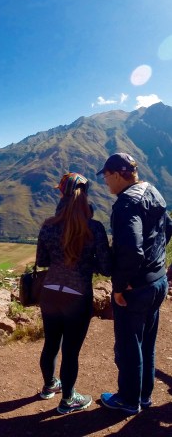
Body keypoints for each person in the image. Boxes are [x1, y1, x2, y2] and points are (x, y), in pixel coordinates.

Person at [96, 152, 172, 415]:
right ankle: (144, 396)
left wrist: (120, 285)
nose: (105, 182)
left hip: (135, 287)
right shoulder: (152, 191)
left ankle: (128, 400)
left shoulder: (126, 203)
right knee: (147, 343)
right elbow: (168, 228)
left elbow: (131, 248)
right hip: (158, 281)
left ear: (117, 174)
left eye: (106, 176)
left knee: (129, 345)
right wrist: (157, 263)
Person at [36, 172, 111, 415]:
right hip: (77, 296)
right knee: (70, 351)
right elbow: (106, 267)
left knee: (50, 344)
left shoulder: (48, 225)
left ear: (60, 193)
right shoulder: (94, 228)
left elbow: (42, 260)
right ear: (85, 195)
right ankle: (68, 399)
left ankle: (49, 386)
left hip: (49, 292)